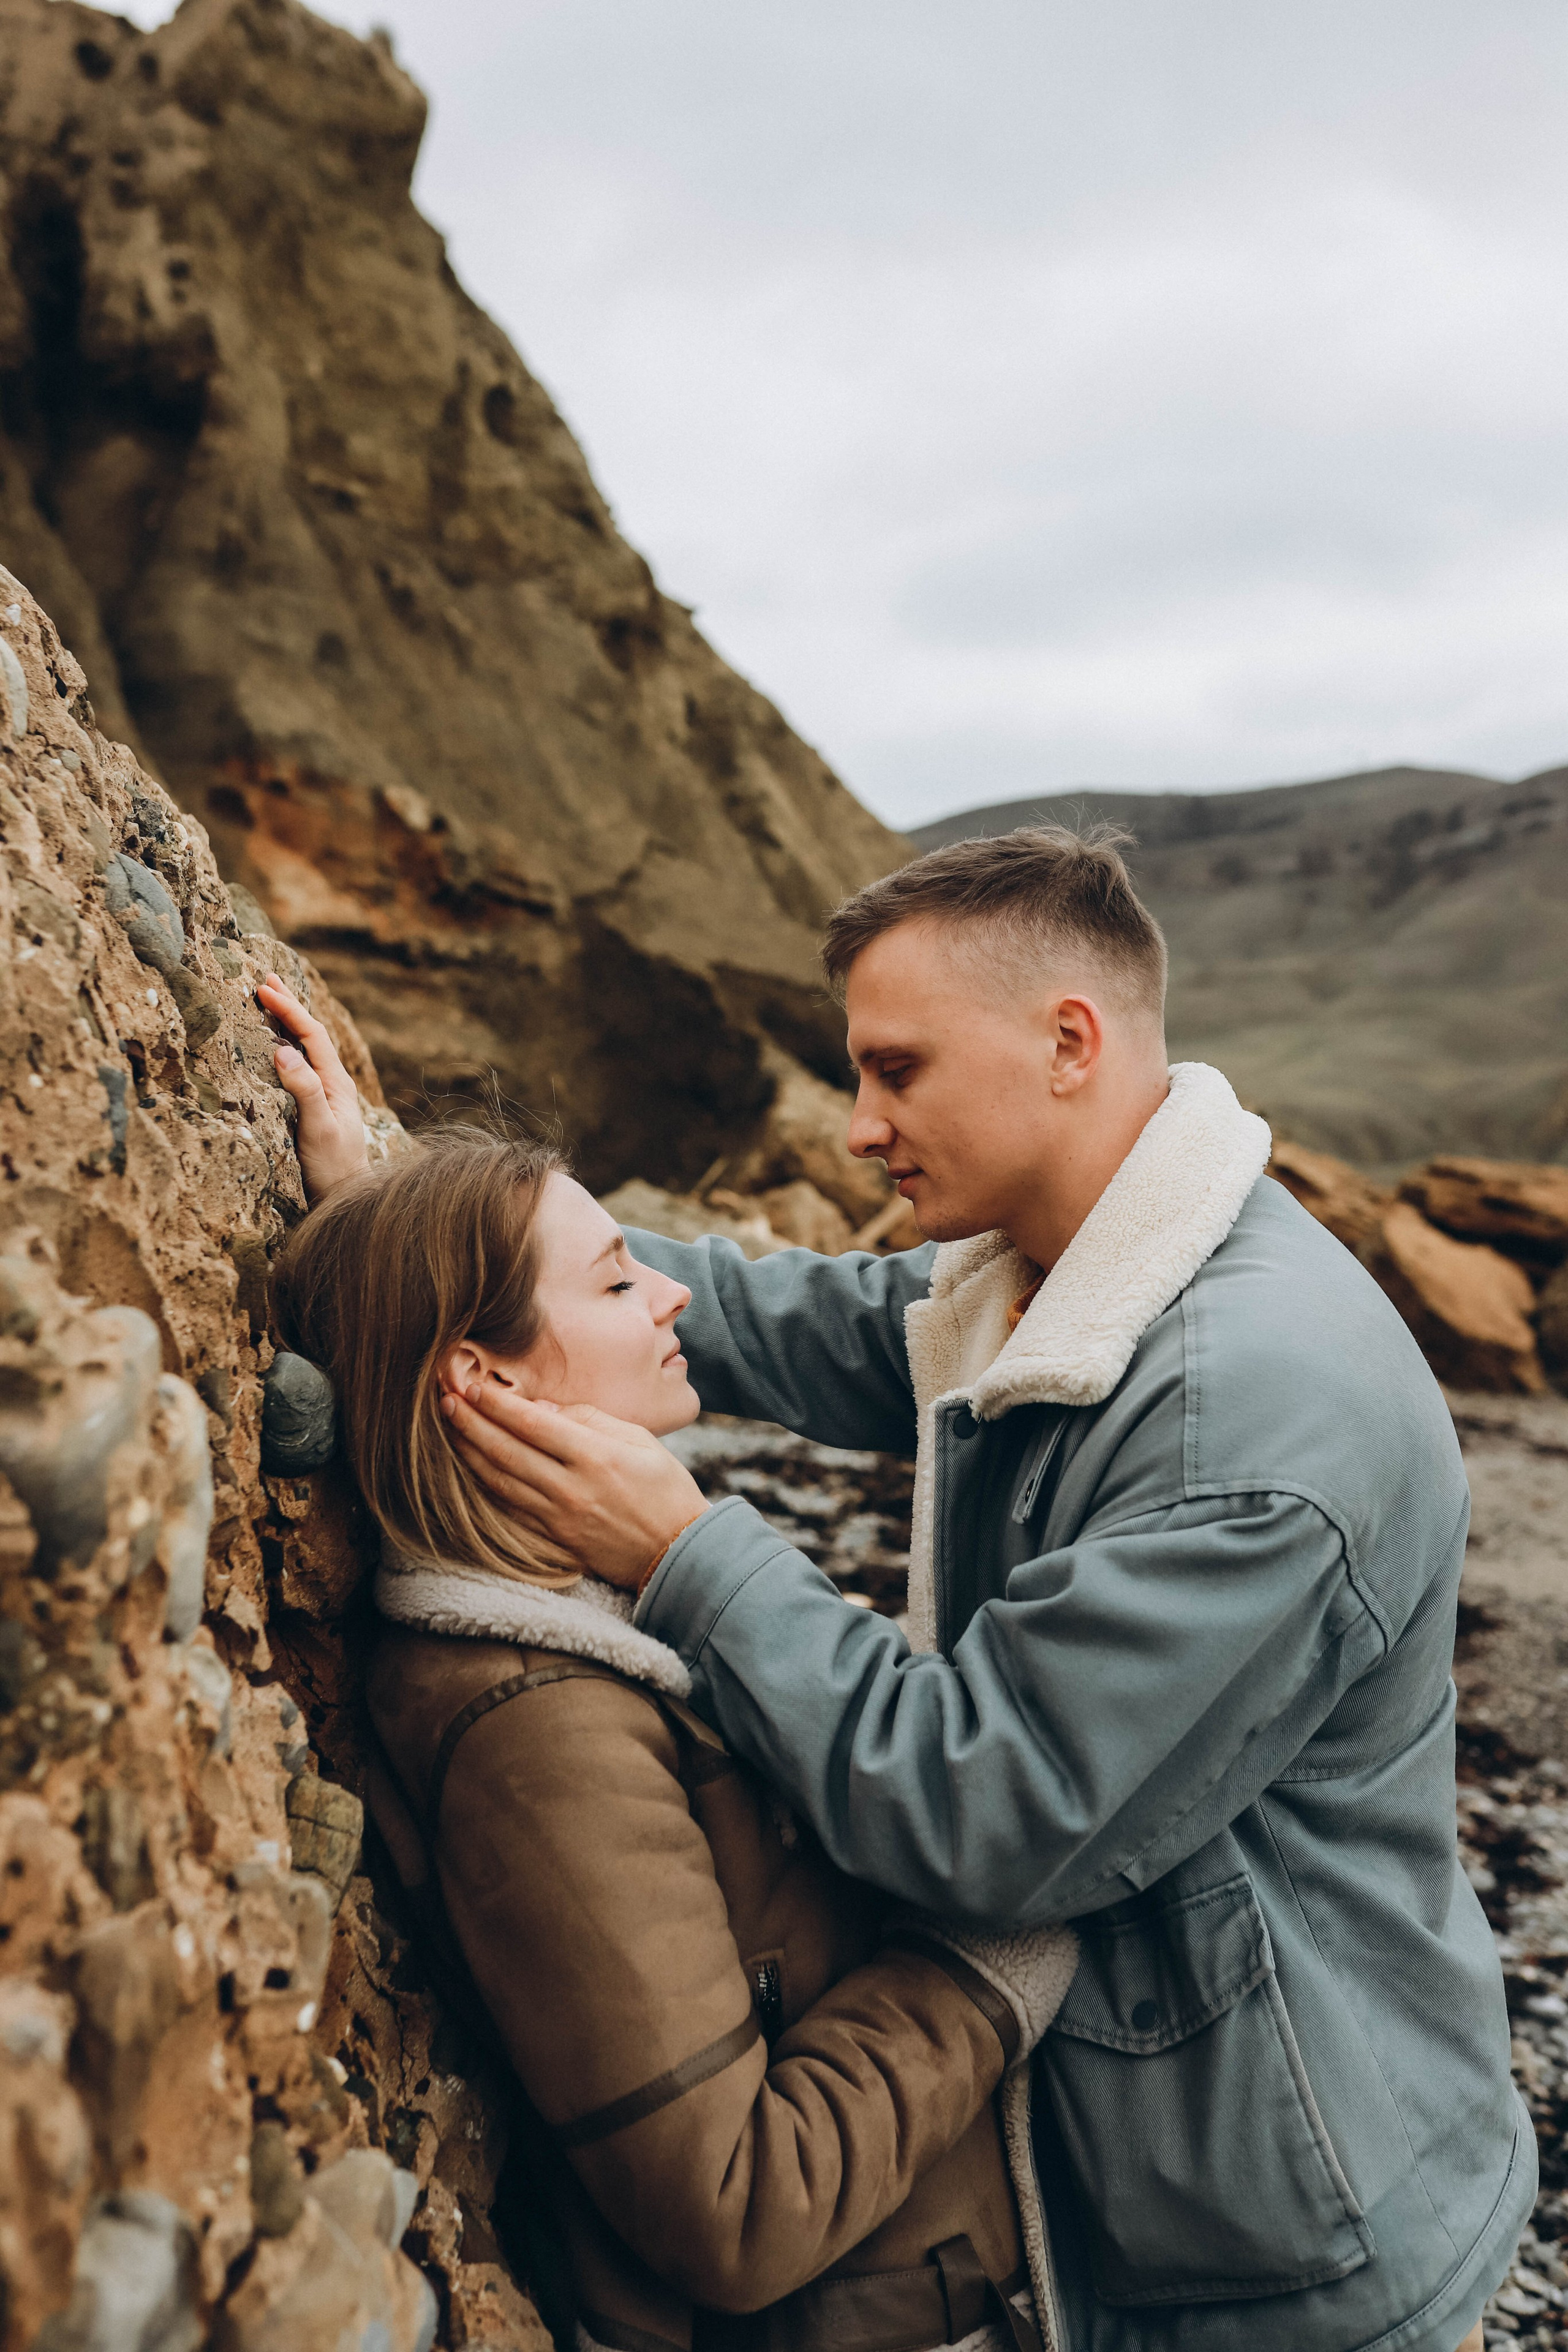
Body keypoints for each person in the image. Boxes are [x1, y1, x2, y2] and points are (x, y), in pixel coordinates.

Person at [351, 826, 1531, 2352]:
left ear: (1066, 1044)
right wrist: (418, 1225)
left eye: (896, 1072)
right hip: (1168, 2156)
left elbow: (997, 1812)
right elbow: (800, 1318)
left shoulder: (1250, 1421)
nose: (856, 1128)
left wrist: (686, 1552)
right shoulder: (1053, 1263)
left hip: (1290, 2224)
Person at [262, 1096, 1080, 2352]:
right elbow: (736, 2211)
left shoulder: (590, 1610)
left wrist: (381, 1198)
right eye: (612, 1281)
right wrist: (976, 1971)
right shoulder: (535, 1732)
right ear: (482, 1378)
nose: (670, 1296)